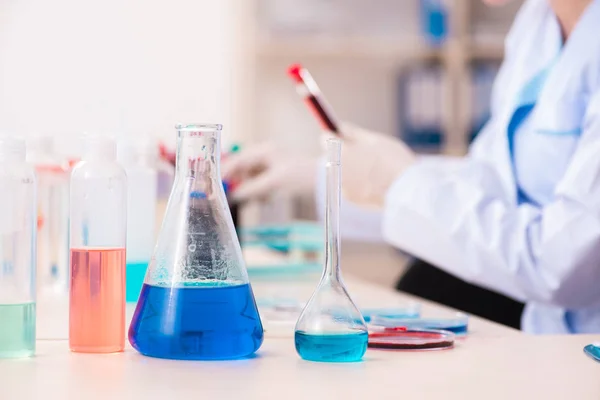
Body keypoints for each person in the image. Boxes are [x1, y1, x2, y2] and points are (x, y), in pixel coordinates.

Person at [223, 0, 600, 334]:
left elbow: (561, 266)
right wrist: (319, 176)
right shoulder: (538, 22)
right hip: (537, 337)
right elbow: (493, 186)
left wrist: (400, 183)